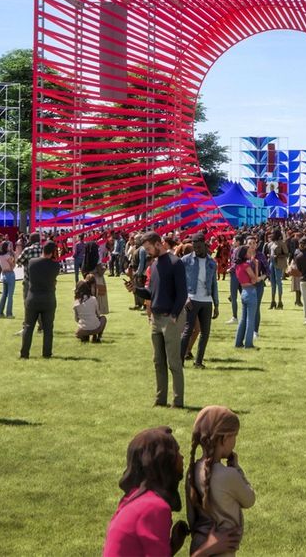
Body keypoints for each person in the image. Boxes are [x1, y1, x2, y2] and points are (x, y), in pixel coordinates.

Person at [105, 426, 239, 556]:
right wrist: (209, 547)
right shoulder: (155, 508)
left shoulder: (133, 498)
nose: (182, 457)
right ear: (164, 461)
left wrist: (173, 545)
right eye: (177, 452)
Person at [185, 406, 255, 556]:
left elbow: (191, 517)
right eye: (234, 436)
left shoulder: (191, 471)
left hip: (198, 546)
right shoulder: (229, 475)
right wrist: (237, 469)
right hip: (223, 549)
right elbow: (249, 499)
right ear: (224, 438)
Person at [139, 233, 187, 408]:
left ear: (159, 244)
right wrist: (135, 289)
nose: (147, 252)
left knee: (174, 363)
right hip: (156, 319)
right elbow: (151, 293)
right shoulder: (155, 264)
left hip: (169, 319)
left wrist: (174, 315)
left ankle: (178, 401)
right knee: (158, 362)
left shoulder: (176, 263)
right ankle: (160, 400)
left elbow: (182, 293)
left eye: (149, 248)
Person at [21, 240, 61, 359]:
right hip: (48, 297)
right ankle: (47, 353)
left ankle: (24, 353)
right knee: (48, 328)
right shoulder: (55, 265)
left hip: (33, 297)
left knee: (28, 326)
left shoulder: (32, 262)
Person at [182, 239, 218, 368]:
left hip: (207, 301)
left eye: (199, 247)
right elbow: (179, 281)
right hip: (192, 299)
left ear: (205, 246)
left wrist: (216, 304)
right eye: (194, 247)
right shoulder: (186, 260)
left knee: (205, 333)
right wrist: (185, 298)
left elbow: (214, 284)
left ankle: (198, 362)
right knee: (188, 330)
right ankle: (179, 361)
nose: (196, 249)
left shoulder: (211, 262)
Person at [75, 276, 107, 342]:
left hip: (82, 329)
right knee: (103, 318)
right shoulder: (93, 299)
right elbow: (98, 314)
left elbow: (76, 319)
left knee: (80, 329)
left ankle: (84, 336)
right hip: (95, 328)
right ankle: (98, 337)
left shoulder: (76, 302)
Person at [0, 243, 17, 318]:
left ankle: (0, 313)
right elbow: (13, 266)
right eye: (9, 246)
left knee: (4, 295)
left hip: (4, 274)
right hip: (10, 274)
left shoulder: (0, 257)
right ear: (6, 248)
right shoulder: (8, 256)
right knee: (10, 296)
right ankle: (9, 314)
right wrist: (14, 258)